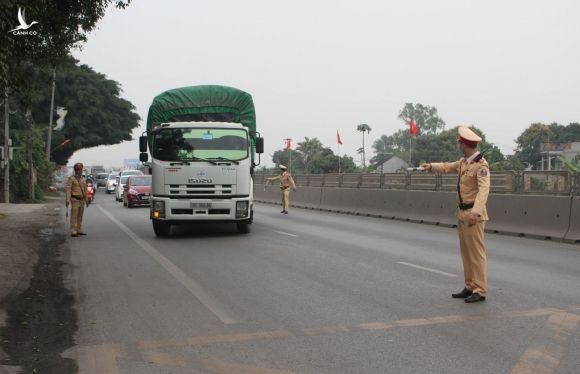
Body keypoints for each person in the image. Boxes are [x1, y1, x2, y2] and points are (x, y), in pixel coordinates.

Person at [420, 126, 490, 303]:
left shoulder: (481, 165)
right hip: (462, 213)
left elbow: (484, 190)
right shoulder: (464, 163)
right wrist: (430, 167)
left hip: (473, 215)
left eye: (460, 144)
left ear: (466, 145)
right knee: (466, 253)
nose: (459, 146)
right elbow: (446, 167)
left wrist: (476, 212)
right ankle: (469, 286)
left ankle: (480, 290)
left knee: (476, 253)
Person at [66, 162, 89, 237]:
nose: (81, 171)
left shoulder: (83, 179)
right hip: (75, 199)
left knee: (80, 216)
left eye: (81, 170)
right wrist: (67, 199)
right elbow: (68, 189)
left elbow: (85, 190)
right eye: (79, 170)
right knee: (74, 216)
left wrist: (87, 200)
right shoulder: (71, 179)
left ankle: (79, 230)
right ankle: (73, 230)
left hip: (82, 200)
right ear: (76, 170)